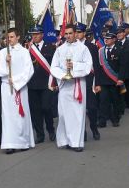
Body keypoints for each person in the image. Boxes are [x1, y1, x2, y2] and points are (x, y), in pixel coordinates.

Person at [50, 24, 93, 152]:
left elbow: (88, 66)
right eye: (66, 34)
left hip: (77, 84)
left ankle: (76, 142)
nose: (68, 36)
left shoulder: (83, 49)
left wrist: (74, 67)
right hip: (64, 85)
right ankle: (65, 140)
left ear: (75, 33)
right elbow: (54, 67)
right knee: (63, 114)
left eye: (70, 33)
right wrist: (63, 75)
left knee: (77, 114)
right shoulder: (60, 49)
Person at [0, 28, 35, 154]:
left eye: (12, 37)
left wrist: (16, 81)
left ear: (17, 37)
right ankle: (9, 143)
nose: (9, 39)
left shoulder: (24, 52)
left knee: (20, 114)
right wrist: (7, 64)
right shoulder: (2, 53)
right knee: (8, 115)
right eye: (7, 37)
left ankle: (23, 142)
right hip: (6, 87)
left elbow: (29, 70)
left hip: (20, 87)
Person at [27, 25, 56, 144]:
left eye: (37, 34)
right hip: (32, 84)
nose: (35, 36)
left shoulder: (50, 47)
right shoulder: (28, 49)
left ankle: (50, 129)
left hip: (46, 83)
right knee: (35, 110)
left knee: (46, 107)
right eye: (33, 34)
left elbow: (54, 66)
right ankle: (40, 134)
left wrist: (54, 82)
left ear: (42, 34)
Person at [75, 23, 101, 140]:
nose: (76, 34)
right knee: (78, 109)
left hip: (89, 81)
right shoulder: (71, 47)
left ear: (84, 33)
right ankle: (82, 132)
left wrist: (98, 83)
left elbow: (96, 66)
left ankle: (94, 128)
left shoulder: (92, 47)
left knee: (92, 108)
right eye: (75, 32)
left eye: (79, 32)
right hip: (76, 82)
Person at [94, 33, 123, 127]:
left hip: (114, 80)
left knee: (115, 100)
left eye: (109, 38)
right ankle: (102, 121)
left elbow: (122, 66)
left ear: (114, 39)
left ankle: (115, 119)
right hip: (103, 81)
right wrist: (97, 83)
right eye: (105, 38)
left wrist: (121, 79)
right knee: (103, 101)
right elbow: (97, 68)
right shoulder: (100, 51)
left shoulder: (119, 50)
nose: (106, 40)